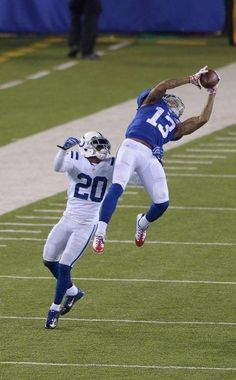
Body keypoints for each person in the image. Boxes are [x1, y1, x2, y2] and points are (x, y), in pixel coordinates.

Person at [92, 66, 220, 254]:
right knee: (117, 187)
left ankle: (142, 223)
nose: (176, 105)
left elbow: (202, 119)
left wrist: (212, 93)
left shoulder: (175, 128)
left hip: (149, 156)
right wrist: (191, 78)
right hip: (131, 146)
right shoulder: (150, 103)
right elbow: (164, 85)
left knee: (162, 203)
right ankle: (100, 234)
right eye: (173, 101)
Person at [43, 131, 141, 329]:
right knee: (48, 260)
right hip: (68, 218)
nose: (102, 148)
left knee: (64, 266)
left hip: (87, 224)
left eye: (102, 144)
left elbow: (138, 180)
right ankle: (73, 292)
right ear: (86, 146)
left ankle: (54, 310)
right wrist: (63, 150)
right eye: (97, 145)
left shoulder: (112, 165)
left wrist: (149, 162)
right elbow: (57, 167)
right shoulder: (74, 158)